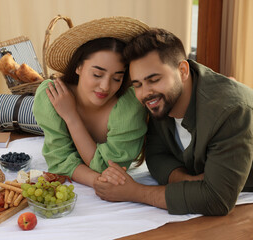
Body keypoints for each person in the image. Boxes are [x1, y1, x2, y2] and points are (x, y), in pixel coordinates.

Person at [94, 28, 253, 216]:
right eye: (137, 85)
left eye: (154, 79)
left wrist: (135, 192)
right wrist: (188, 181)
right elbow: (156, 155)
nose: (145, 93)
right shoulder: (163, 102)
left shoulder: (232, 112)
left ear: (183, 71)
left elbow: (216, 199)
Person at [33, 17, 148, 187]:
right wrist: (96, 181)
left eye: (117, 78)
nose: (105, 87)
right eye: (97, 74)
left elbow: (108, 167)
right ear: (78, 67)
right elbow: (60, 161)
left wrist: (71, 117)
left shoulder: (129, 106)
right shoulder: (51, 95)